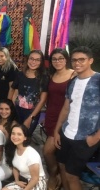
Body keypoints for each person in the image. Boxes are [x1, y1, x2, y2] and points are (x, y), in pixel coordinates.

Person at [54, 46, 100, 190]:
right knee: (61, 166)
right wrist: (57, 131)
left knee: (72, 175)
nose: (77, 63)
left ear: (90, 60)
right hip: (66, 133)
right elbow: (66, 107)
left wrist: (96, 137)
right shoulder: (72, 82)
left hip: (85, 138)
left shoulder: (98, 80)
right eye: (74, 60)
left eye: (82, 59)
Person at [43, 48, 74, 190]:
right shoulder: (52, 75)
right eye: (54, 59)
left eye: (60, 58)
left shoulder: (73, 75)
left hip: (66, 119)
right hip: (51, 115)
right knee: (53, 151)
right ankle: (55, 175)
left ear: (66, 59)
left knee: (48, 150)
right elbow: (50, 98)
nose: (57, 61)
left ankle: (54, 175)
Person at [11, 50, 49, 136]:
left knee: (25, 136)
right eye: (31, 59)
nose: (33, 62)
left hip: (32, 113)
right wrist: (12, 107)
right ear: (27, 59)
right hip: (17, 110)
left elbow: (42, 100)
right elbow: (14, 91)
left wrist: (31, 118)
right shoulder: (20, 74)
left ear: (41, 62)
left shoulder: (44, 78)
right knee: (14, 135)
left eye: (37, 60)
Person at [3, 124, 46, 190]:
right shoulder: (14, 148)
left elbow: (35, 179)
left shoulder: (31, 155)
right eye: (13, 133)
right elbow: (15, 166)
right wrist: (17, 181)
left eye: (19, 134)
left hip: (36, 182)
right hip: (23, 179)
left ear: (25, 137)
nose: (15, 136)